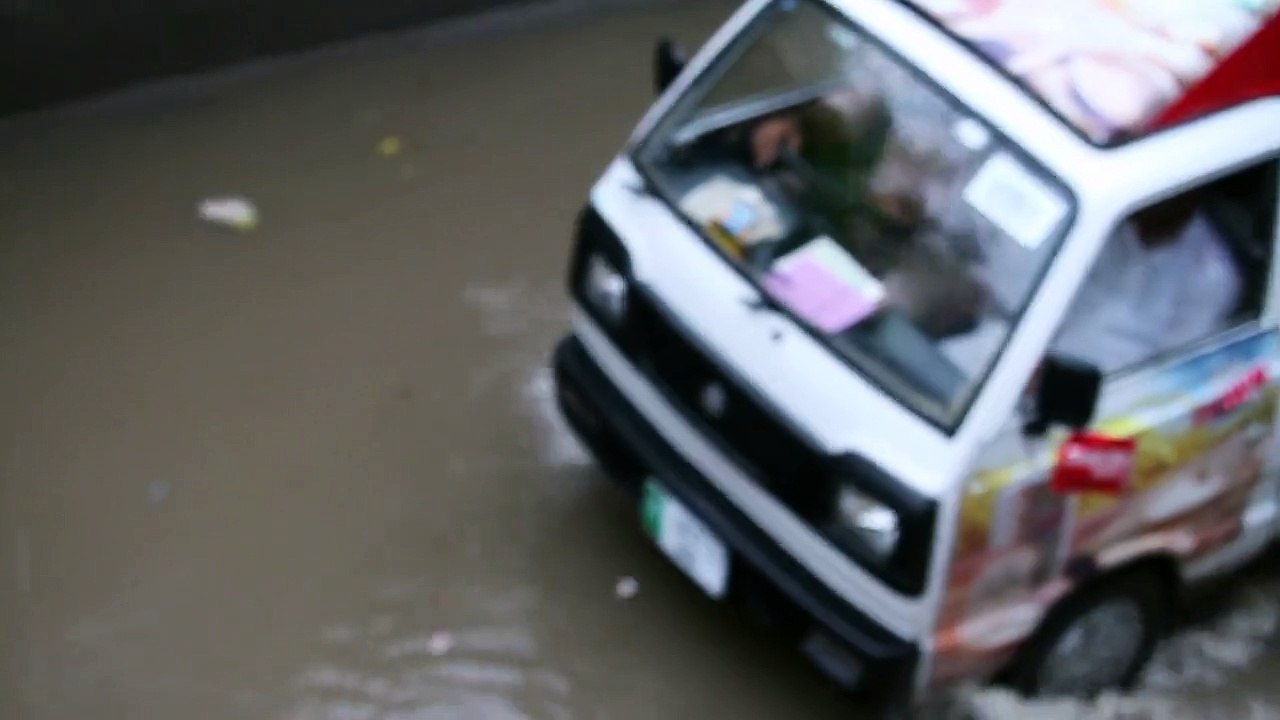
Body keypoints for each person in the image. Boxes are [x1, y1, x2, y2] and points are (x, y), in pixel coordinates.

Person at [1050, 191, 1241, 374]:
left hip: (1115, 387)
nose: (1144, 229)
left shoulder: (1211, 274)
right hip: (1043, 353)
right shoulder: (1104, 220)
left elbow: (1173, 369)